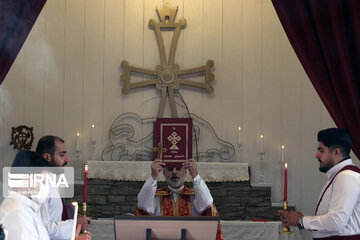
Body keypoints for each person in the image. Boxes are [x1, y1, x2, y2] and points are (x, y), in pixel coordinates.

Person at [279, 128, 360, 239]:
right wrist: (301, 221)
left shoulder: (346, 177)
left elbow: (336, 222)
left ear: (336, 152)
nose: (316, 155)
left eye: (321, 150)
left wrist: (302, 220)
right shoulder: (339, 176)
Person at [0, 150, 91, 240]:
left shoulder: (27, 208)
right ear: (27, 179)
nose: (45, 187)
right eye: (43, 181)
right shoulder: (17, 216)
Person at [136, 158, 223, 240]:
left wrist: (195, 175)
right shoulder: (155, 196)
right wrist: (153, 176)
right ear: (164, 173)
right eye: (170, 169)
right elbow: (142, 205)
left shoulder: (194, 195)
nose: (174, 172)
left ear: (185, 172)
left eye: (178, 168)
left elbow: (207, 204)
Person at [36, 135, 91, 240]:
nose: (67, 159)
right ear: (47, 157)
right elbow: (43, 228)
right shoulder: (39, 185)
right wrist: (74, 223)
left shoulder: (50, 178)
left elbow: (54, 215)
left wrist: (73, 216)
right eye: (62, 155)